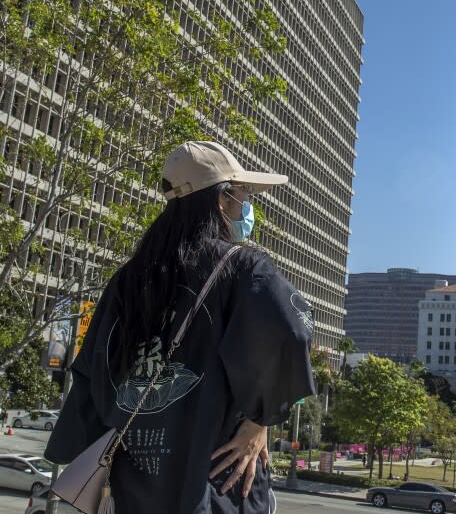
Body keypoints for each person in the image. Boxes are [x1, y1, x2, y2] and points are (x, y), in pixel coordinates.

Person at [45, 141, 316, 514]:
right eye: (244, 193)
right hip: (214, 485)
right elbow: (292, 331)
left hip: (131, 491)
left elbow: (90, 375)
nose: (248, 205)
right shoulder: (243, 268)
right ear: (222, 200)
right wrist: (260, 420)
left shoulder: (128, 279)